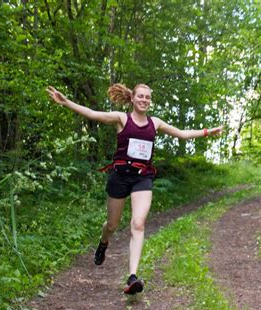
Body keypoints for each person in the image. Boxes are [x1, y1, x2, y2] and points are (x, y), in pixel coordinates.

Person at [46, 83, 222, 295]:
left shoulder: (154, 123)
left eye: (147, 97)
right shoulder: (122, 119)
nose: (144, 100)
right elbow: (93, 114)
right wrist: (65, 102)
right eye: (140, 96)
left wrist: (207, 132)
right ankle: (103, 243)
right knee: (111, 225)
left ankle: (132, 278)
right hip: (120, 177)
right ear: (132, 98)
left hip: (142, 178)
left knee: (138, 224)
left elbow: (182, 134)